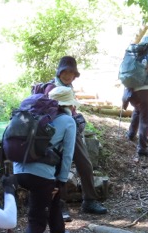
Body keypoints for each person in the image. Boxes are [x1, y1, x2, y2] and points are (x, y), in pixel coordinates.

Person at [12, 86, 76, 233]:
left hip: (18, 170)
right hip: (40, 175)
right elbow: (67, 155)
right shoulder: (68, 121)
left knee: (50, 193)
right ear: (69, 104)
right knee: (37, 221)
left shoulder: (34, 115)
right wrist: (62, 180)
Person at [41, 56, 107, 216]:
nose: (68, 75)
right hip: (54, 133)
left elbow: (72, 110)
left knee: (85, 164)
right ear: (60, 71)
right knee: (57, 167)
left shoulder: (69, 87)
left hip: (72, 130)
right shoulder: (51, 87)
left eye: (72, 72)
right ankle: (59, 205)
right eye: (65, 71)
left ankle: (89, 201)